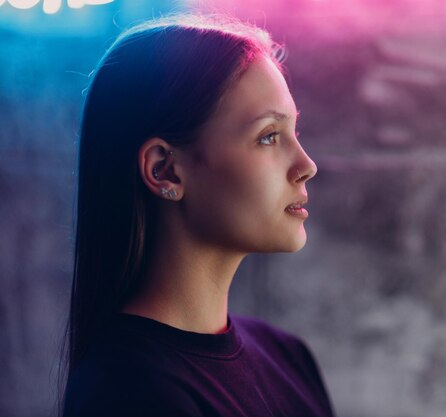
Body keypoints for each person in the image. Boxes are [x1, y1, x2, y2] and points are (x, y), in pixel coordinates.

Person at [61, 12, 335, 417]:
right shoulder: (127, 393)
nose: (306, 164)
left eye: (295, 132)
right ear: (164, 170)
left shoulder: (289, 358)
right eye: (269, 136)